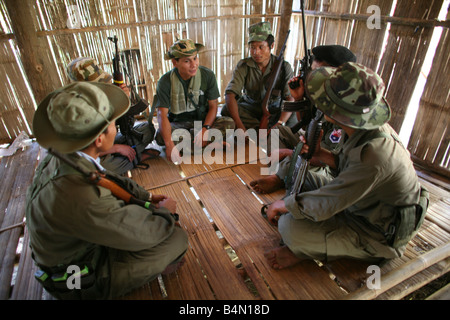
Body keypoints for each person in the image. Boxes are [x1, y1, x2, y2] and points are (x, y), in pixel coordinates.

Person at [251, 62, 428, 268]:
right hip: (360, 202)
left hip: (377, 230)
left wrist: (284, 205)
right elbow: (346, 169)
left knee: (289, 227)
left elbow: (332, 201)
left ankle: (309, 250)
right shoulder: (360, 129)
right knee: (300, 172)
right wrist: (321, 154)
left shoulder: (375, 155)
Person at [26, 82, 188, 299]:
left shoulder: (64, 156)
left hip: (75, 247)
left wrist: (146, 197)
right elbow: (145, 233)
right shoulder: (80, 194)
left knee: (150, 216)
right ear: (100, 139)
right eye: (113, 124)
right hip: (75, 278)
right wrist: (166, 212)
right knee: (175, 238)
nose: (116, 128)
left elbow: (105, 178)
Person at [67, 57, 159, 175]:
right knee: (101, 169)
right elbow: (81, 152)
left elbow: (125, 124)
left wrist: (124, 99)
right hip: (91, 152)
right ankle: (137, 158)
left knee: (147, 129)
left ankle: (128, 156)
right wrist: (117, 148)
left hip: (109, 140)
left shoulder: (100, 96)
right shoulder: (73, 111)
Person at [154, 39, 235, 163]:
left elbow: (213, 106)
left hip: (203, 122)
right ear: (175, 62)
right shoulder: (165, 81)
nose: (194, 65)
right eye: (187, 61)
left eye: (195, 58)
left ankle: (190, 146)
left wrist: (205, 129)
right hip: (179, 125)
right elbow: (162, 114)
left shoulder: (207, 75)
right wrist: (170, 145)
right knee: (161, 136)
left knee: (229, 124)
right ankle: (210, 145)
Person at [273, 45, 357, 162]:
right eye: (313, 71)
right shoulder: (320, 92)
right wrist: (298, 98)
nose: (314, 78)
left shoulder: (345, 105)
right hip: (310, 143)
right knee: (277, 132)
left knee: (290, 165)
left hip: (326, 161)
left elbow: (329, 157)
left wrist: (291, 153)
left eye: (319, 73)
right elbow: (304, 125)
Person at [221, 21, 297, 132]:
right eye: (252, 48)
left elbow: (290, 98)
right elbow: (230, 95)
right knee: (226, 110)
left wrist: (280, 122)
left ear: (271, 46)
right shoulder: (244, 65)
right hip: (250, 108)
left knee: (291, 118)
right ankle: (263, 130)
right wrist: (239, 125)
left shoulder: (284, 67)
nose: (256, 52)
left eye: (261, 47)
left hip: (274, 110)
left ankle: (265, 129)